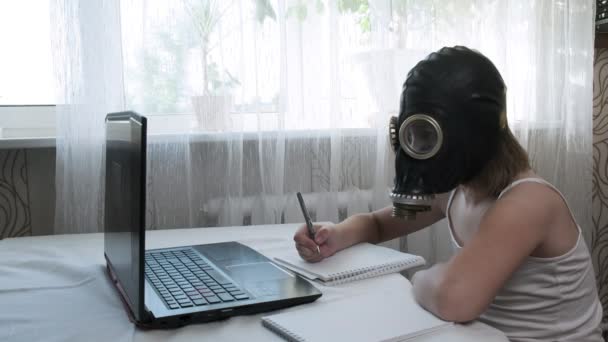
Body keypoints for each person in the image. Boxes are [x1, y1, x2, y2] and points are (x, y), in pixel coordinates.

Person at [293, 46, 603, 341]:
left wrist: (418, 279)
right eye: (413, 136)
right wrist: (333, 234)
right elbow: (380, 223)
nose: (420, 151)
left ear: (472, 135)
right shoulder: (455, 190)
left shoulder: (528, 203)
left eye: (428, 137)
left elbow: (452, 299)